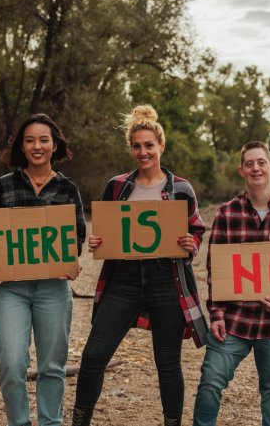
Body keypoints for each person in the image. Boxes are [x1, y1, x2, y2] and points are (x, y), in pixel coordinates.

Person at [72, 105, 208, 426]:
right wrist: (97, 242)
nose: (143, 152)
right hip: (124, 281)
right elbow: (107, 229)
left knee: (168, 363)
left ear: (161, 146)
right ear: (131, 149)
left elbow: (196, 230)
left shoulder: (181, 189)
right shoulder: (117, 186)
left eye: (149, 145)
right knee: (93, 356)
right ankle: (80, 420)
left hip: (167, 280)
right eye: (137, 146)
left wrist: (191, 244)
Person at [192, 141, 270, 426]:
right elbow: (215, 269)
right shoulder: (226, 213)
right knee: (210, 383)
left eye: (261, 162)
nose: (255, 168)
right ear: (241, 170)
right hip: (234, 320)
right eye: (249, 163)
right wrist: (217, 315)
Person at [0, 113, 86, 426]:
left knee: (53, 366)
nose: (37, 146)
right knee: (11, 363)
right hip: (10, 289)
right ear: (21, 147)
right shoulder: (4, 186)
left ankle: (50, 422)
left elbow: (76, 236)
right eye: (30, 140)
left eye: (43, 140)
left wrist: (72, 261)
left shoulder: (68, 189)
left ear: (55, 145)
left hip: (53, 288)